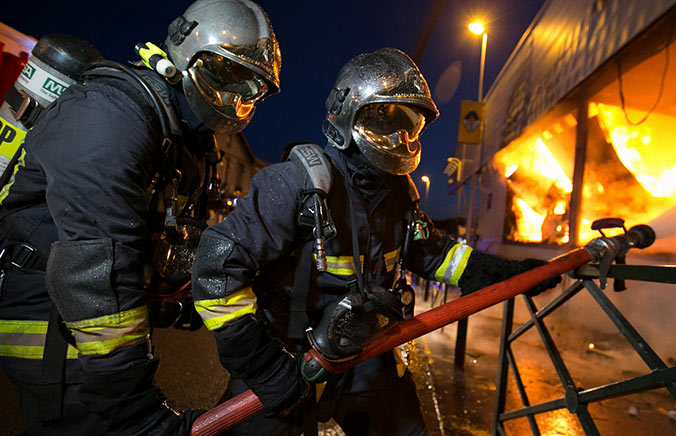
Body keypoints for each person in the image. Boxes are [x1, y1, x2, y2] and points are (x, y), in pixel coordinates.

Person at [191, 48, 561, 436]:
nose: (399, 139)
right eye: (385, 121)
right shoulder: (295, 185)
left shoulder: (399, 197)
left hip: (364, 351)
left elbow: (438, 256)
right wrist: (263, 366)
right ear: (347, 114)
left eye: (409, 126)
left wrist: (516, 274)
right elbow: (216, 267)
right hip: (287, 355)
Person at [0, 1, 281, 435]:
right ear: (186, 53)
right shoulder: (112, 113)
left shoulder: (184, 137)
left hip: (87, 327)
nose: (238, 99)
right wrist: (131, 408)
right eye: (227, 76)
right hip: (54, 325)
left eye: (252, 89)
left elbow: (168, 242)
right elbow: (93, 271)